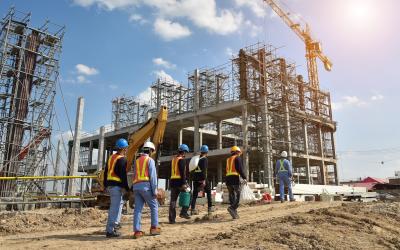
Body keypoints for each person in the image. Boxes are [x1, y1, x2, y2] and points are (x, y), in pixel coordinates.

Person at [131, 142, 161, 239]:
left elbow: (134, 174)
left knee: (138, 210)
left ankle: (137, 231)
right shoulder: (150, 160)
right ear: (151, 150)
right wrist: (155, 190)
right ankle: (154, 228)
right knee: (154, 206)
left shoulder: (137, 160)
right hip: (146, 187)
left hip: (136, 187)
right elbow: (153, 177)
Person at [103, 138, 130, 237]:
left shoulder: (111, 157)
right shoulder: (122, 159)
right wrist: (126, 188)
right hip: (116, 186)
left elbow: (106, 172)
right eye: (126, 148)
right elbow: (123, 175)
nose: (127, 150)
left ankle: (115, 225)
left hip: (110, 185)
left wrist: (105, 185)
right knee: (114, 208)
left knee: (119, 205)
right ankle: (110, 231)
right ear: (123, 148)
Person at [168, 144, 191, 223]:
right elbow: (182, 173)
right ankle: (183, 212)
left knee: (173, 201)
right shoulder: (182, 160)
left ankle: (172, 219)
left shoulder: (174, 160)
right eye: (186, 152)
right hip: (180, 182)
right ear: (184, 152)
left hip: (173, 182)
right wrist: (184, 183)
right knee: (189, 194)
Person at [190, 145, 213, 215]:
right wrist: (203, 180)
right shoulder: (204, 159)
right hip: (202, 179)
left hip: (195, 179)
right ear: (207, 152)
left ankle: (192, 209)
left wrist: (194, 178)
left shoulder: (196, 159)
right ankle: (209, 209)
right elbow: (204, 170)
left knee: (194, 195)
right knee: (209, 193)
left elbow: (192, 169)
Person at [225, 146, 247, 219]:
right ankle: (232, 208)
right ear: (237, 152)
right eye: (239, 152)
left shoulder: (228, 159)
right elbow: (239, 169)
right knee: (238, 196)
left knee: (232, 196)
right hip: (234, 178)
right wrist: (244, 177)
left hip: (228, 179)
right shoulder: (237, 158)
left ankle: (234, 212)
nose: (239, 154)